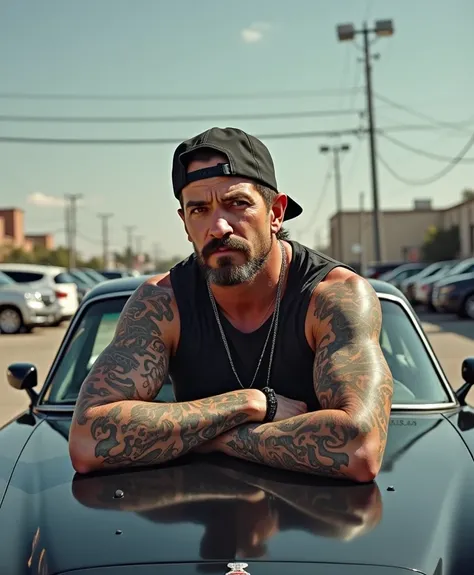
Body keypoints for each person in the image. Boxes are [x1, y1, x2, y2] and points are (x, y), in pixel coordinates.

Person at [69, 126, 393, 481]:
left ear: (275, 213)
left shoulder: (333, 296)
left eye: (237, 203)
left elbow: (360, 448)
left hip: (318, 521)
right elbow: (87, 441)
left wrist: (208, 437)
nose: (218, 226)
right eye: (199, 209)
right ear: (184, 223)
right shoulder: (162, 303)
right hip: (189, 507)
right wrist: (251, 404)